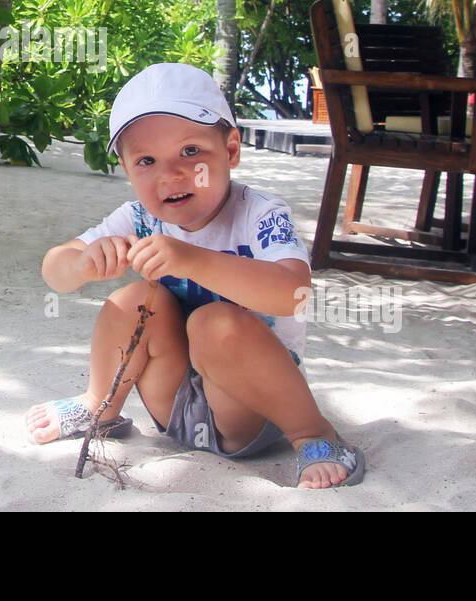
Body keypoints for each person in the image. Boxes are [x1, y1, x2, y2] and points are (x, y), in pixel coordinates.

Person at [24, 62, 364, 488]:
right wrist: (82, 262)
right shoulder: (137, 218)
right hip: (173, 407)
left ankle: (313, 432)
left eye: (190, 152)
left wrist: (192, 260)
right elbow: (53, 271)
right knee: (133, 300)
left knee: (214, 322)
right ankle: (100, 406)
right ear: (128, 171)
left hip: (251, 405)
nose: (171, 174)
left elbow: (293, 292)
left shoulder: (258, 213)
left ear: (232, 150)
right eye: (146, 160)